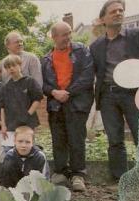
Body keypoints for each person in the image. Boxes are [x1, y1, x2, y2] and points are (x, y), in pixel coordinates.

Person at [90, 0, 139, 180]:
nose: (118, 13)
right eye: (113, 11)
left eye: (121, 10)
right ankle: (120, 179)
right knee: (115, 140)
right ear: (103, 18)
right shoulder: (96, 45)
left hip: (135, 94)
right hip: (108, 96)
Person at [42, 21, 94, 191]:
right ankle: (61, 173)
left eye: (69, 33)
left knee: (76, 139)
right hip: (55, 105)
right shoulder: (46, 59)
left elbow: (87, 76)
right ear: (54, 37)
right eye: (64, 34)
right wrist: (54, 92)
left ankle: (78, 175)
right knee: (58, 139)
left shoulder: (82, 50)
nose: (68, 37)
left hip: (77, 102)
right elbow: (42, 85)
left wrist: (68, 92)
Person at [0, 54, 43, 150]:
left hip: (27, 123)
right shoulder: (6, 87)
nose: (11, 69)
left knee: (26, 149)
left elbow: (37, 99)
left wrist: (27, 114)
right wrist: (3, 125)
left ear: (20, 65)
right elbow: (2, 107)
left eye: (13, 65)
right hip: (10, 125)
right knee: (9, 151)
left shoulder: (30, 81)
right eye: (8, 67)